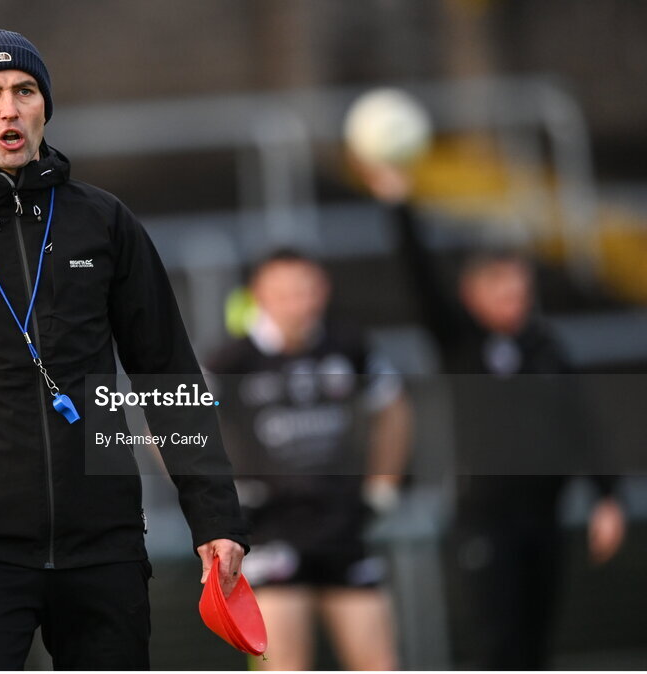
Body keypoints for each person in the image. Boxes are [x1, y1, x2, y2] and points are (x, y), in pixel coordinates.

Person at [0, 27, 248, 670]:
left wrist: (216, 517)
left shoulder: (104, 220)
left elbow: (167, 374)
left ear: (45, 106)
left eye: (25, 91)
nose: (9, 109)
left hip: (104, 542)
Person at [357, 159, 626, 669]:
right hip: (486, 521)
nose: (513, 301)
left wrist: (607, 494)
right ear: (473, 294)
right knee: (497, 647)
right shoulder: (461, 345)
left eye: (520, 291)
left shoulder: (544, 347)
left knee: (535, 648)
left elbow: (579, 422)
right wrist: (398, 203)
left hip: (543, 517)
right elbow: (420, 280)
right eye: (500, 290)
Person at [207, 249, 411, 670]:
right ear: (259, 295)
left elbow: (394, 409)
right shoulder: (231, 359)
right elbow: (167, 423)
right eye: (283, 292)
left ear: (323, 291)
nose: (297, 303)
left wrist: (383, 484)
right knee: (286, 665)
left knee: (379, 663)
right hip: (270, 530)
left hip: (342, 526)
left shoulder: (347, 345)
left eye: (305, 290)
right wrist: (212, 496)